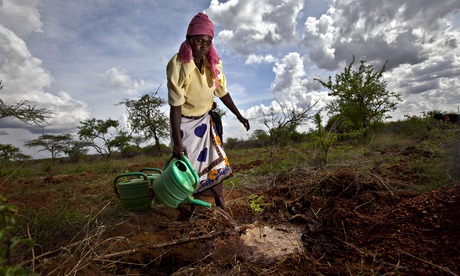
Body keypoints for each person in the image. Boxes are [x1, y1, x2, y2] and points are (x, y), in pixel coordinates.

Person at [166, 12, 250, 209]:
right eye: (199, 41)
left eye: (208, 41)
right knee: (188, 166)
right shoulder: (178, 65)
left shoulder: (214, 63)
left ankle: (220, 202)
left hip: (205, 121)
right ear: (189, 40)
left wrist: (239, 116)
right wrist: (177, 142)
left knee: (214, 160)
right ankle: (187, 206)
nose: (203, 46)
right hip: (184, 123)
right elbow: (175, 105)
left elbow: (222, 92)